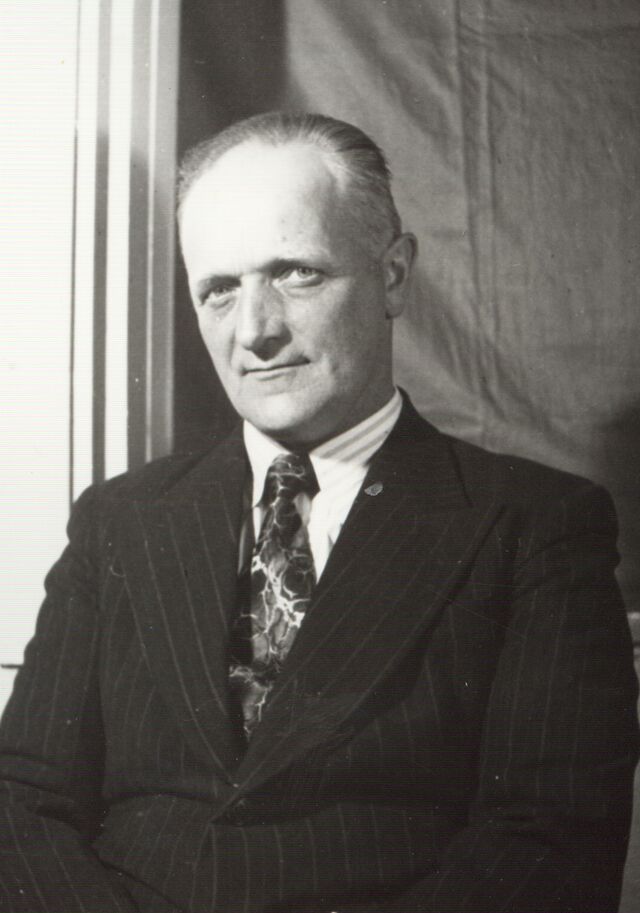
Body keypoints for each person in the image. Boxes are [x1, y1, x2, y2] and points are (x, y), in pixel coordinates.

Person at [0, 112, 637, 913]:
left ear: (394, 275)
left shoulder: (535, 525)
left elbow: (549, 840)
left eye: (296, 273)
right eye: (219, 289)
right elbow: (21, 800)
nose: (254, 331)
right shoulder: (119, 521)